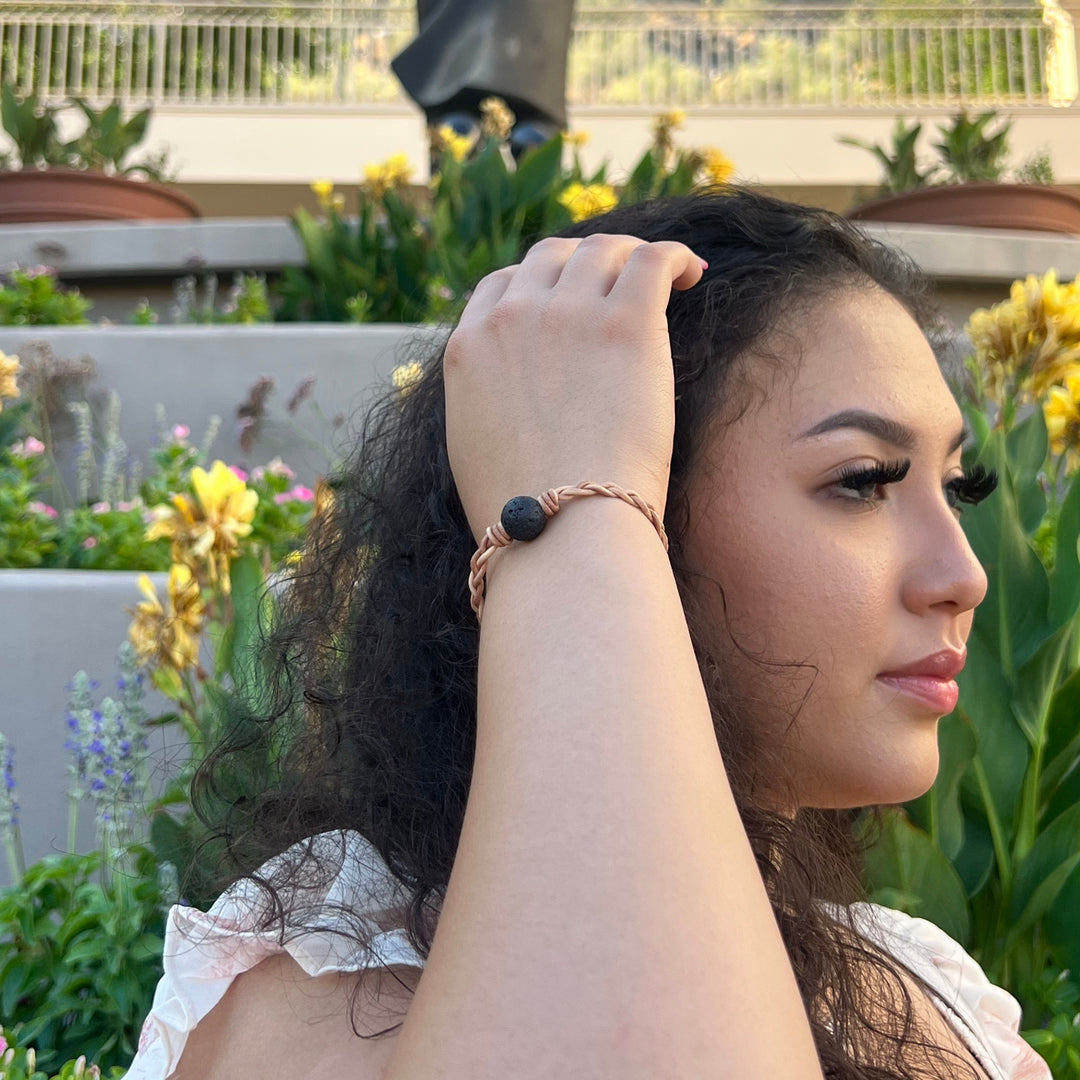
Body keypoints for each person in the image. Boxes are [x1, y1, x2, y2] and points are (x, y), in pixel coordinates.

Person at [126, 188, 1048, 1080]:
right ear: (649, 506)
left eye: (957, 488)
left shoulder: (922, 990)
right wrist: (572, 504)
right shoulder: (334, 990)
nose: (963, 575)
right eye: (863, 479)